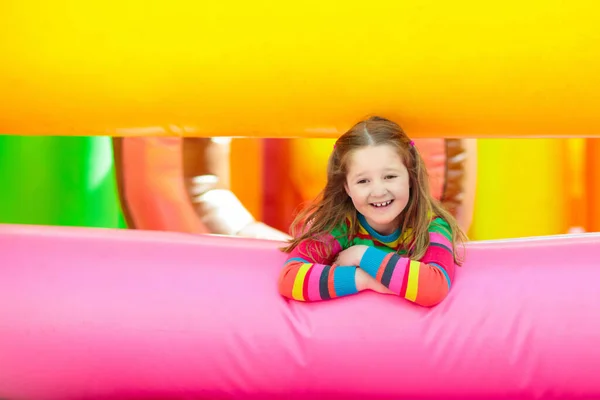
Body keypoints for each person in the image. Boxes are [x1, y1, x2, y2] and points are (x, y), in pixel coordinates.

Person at [277, 116, 467, 307]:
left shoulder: (432, 225)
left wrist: (362, 254)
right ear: (347, 188)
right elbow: (289, 277)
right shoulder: (341, 225)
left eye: (390, 176)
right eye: (363, 181)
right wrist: (364, 280)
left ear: (411, 177)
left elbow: (435, 287)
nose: (378, 191)